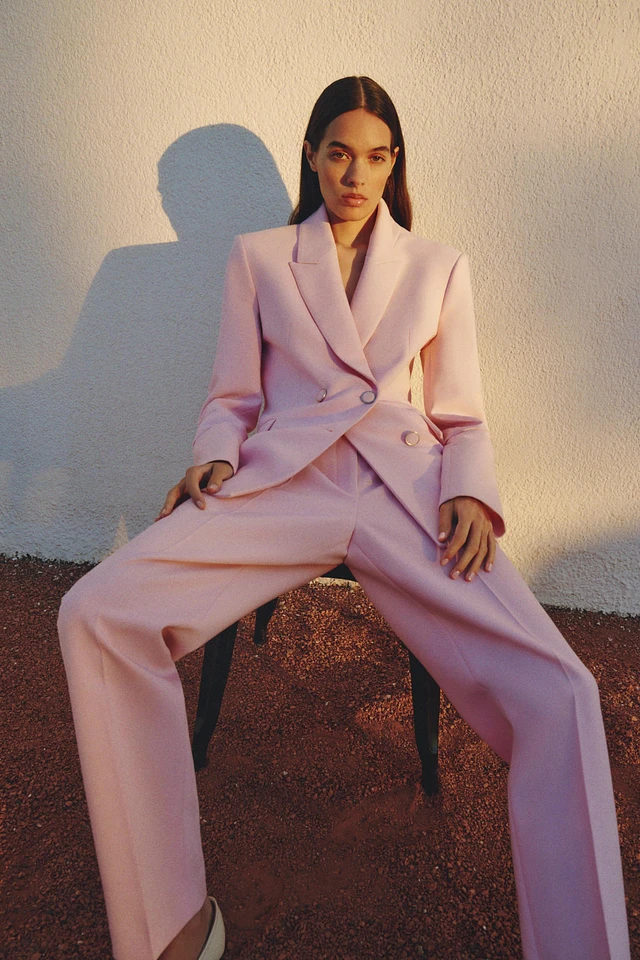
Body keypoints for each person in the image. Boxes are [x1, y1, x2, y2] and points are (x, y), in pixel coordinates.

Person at [57, 76, 631, 960]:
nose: (355, 175)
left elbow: (462, 414)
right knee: (95, 613)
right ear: (313, 157)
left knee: (565, 692)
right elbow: (232, 394)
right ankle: (169, 927)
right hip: (284, 482)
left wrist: (470, 491)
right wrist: (214, 452)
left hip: (408, 491)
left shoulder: (438, 266)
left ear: (394, 163)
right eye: (338, 154)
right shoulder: (259, 256)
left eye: (375, 156)